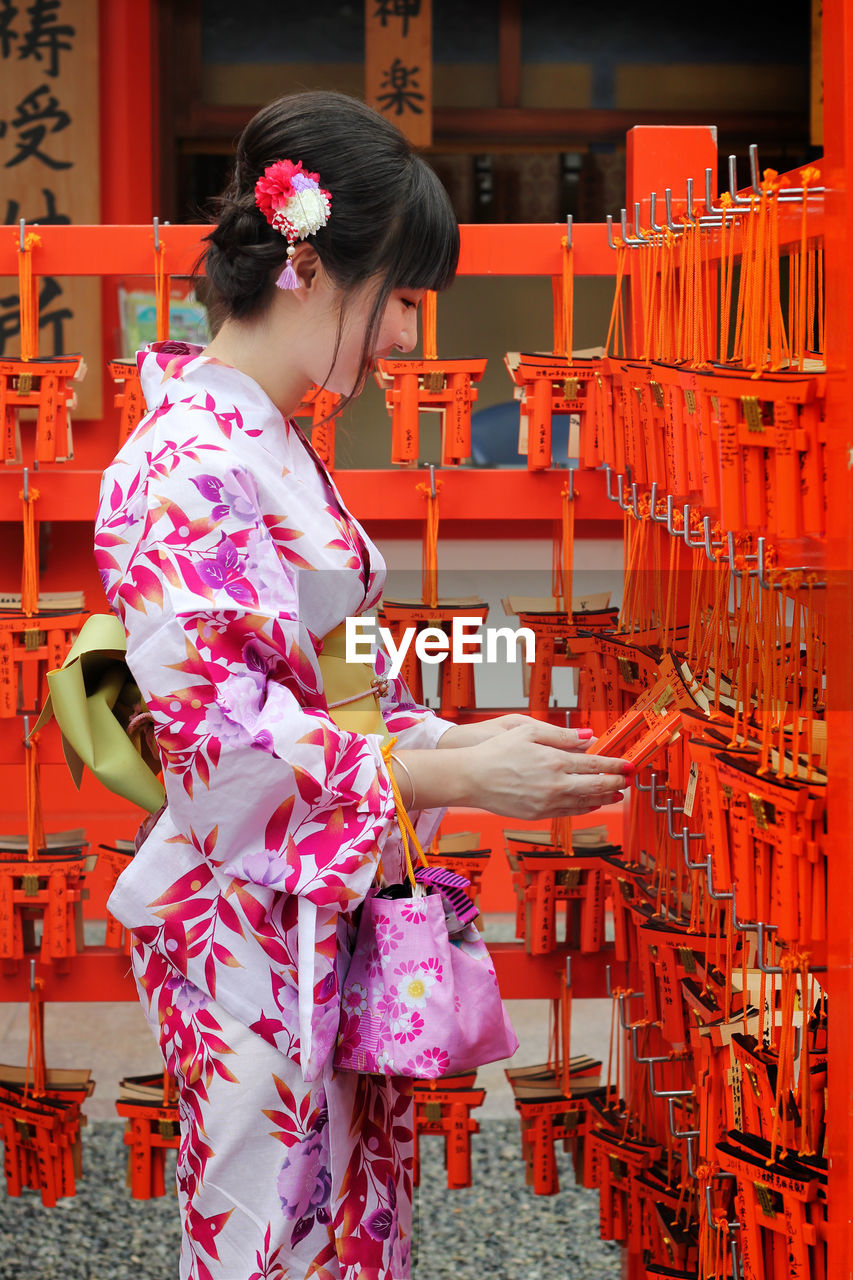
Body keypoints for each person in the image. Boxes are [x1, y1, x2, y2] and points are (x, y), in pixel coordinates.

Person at [94, 91, 630, 1280]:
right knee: (266, 1234)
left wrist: (476, 742)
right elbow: (219, 752)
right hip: (246, 918)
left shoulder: (267, 441)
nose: (402, 339)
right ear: (313, 269)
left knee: (349, 1216)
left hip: (310, 908)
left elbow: (347, 693)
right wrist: (449, 769)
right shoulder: (183, 464)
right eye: (398, 298)